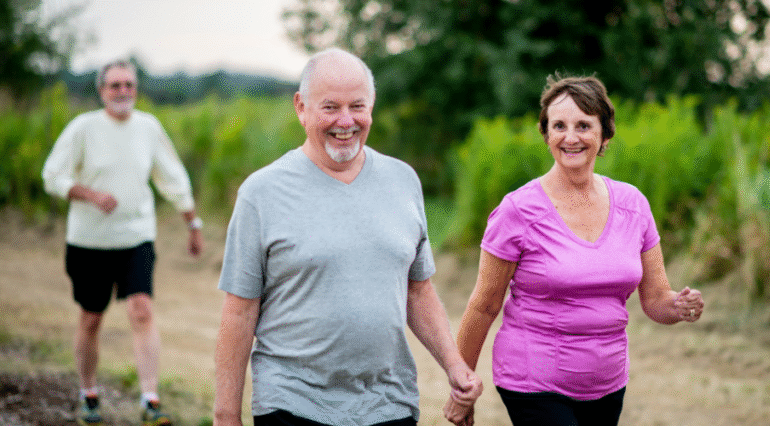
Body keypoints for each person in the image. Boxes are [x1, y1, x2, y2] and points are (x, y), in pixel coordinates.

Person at [212, 48, 482, 426]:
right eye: (330, 107)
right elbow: (239, 312)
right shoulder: (262, 193)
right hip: (292, 402)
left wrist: (455, 366)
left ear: (371, 106)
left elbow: (418, 290)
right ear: (301, 107)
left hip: (388, 402)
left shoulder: (403, 181)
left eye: (357, 106)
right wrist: (226, 415)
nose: (346, 121)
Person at [444, 75, 706, 426]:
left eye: (583, 125)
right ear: (546, 134)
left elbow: (656, 299)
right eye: (559, 126)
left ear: (605, 134)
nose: (571, 137)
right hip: (533, 380)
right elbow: (484, 304)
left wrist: (677, 305)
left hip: (608, 383)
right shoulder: (518, 211)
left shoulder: (633, 205)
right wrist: (462, 387)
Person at [42, 59, 204, 426]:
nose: (123, 92)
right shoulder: (83, 128)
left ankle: (150, 400)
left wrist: (192, 223)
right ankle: (89, 395)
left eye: (129, 84)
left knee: (141, 310)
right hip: (89, 242)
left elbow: (172, 177)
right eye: (115, 85)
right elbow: (52, 175)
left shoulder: (148, 127)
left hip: (136, 238)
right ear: (102, 91)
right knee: (91, 318)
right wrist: (88, 194)